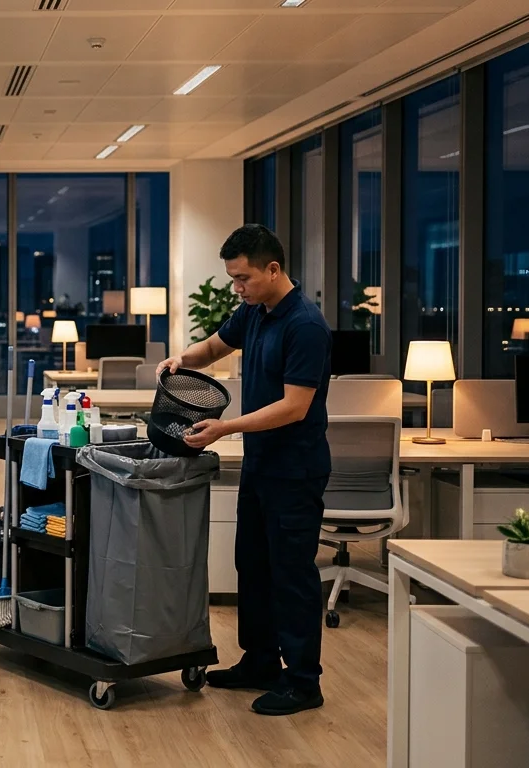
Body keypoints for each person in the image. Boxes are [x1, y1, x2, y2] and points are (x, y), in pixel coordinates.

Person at [158, 224, 332, 716]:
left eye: (243, 278)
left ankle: (302, 682)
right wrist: (181, 358)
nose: (237, 288)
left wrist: (224, 427)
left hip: (294, 471)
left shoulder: (305, 326)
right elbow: (214, 347)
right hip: (261, 465)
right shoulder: (255, 311)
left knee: (291, 575)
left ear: (273, 269)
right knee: (252, 567)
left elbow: (295, 406)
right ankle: (259, 661)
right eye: (232, 279)